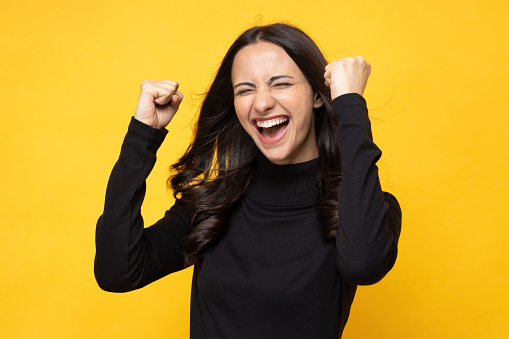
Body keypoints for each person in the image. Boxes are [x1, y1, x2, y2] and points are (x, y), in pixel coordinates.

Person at [94, 23, 402, 338]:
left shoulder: (358, 208)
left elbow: (364, 266)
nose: (261, 102)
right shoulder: (215, 202)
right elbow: (118, 272)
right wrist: (143, 135)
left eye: (280, 84)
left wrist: (349, 104)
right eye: (245, 89)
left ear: (317, 96)